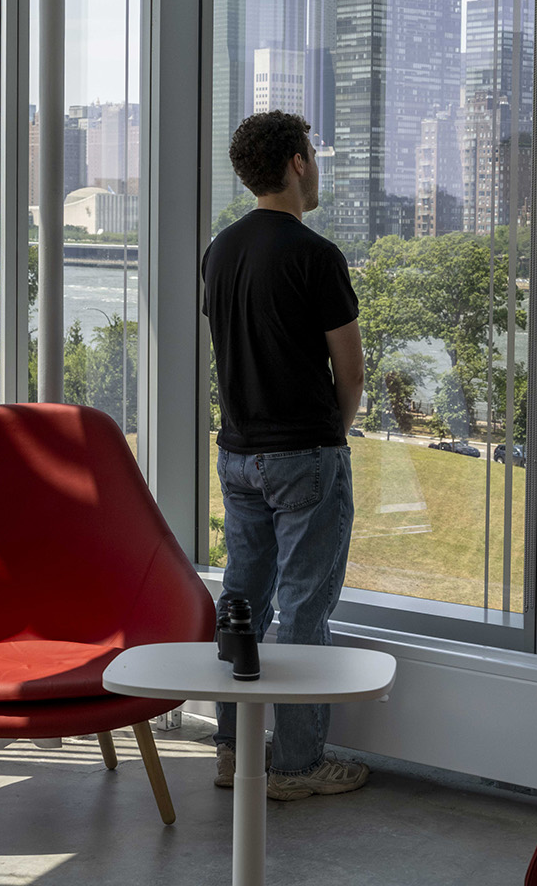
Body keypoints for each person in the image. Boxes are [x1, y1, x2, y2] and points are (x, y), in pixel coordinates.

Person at [202, 111, 367, 802]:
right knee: (303, 610)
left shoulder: (220, 249)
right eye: (316, 154)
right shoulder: (315, 255)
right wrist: (333, 436)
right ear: (298, 162)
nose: (318, 166)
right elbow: (350, 373)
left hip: (237, 456)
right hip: (303, 456)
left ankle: (232, 753)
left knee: (242, 599)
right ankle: (295, 768)